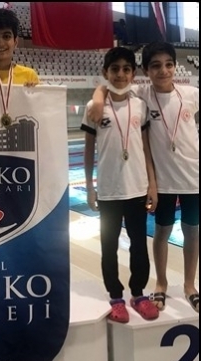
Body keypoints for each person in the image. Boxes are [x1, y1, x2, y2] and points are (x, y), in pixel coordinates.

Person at [87, 42, 199, 313]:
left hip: (193, 178)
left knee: (192, 232)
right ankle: (160, 283)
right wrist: (98, 97)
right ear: (146, 71)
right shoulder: (141, 94)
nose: (163, 71)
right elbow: (109, 85)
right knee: (161, 232)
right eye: (156, 66)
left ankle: (190, 285)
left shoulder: (191, 93)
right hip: (162, 181)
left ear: (175, 66)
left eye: (169, 65)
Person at [81, 47, 159, 323]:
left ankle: (138, 293)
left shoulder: (140, 106)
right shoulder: (93, 108)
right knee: (108, 245)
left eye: (127, 69)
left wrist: (152, 184)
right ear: (105, 72)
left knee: (139, 244)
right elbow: (88, 150)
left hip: (137, 187)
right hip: (109, 190)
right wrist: (90, 186)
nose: (121, 74)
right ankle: (115, 296)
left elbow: (146, 148)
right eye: (115, 69)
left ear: (133, 74)